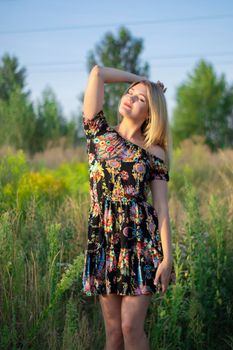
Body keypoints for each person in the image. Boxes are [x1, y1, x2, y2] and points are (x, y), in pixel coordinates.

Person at [81, 65, 176, 350]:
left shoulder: (153, 151)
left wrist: (167, 258)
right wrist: (141, 80)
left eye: (141, 99)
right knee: (113, 334)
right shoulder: (98, 132)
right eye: (130, 93)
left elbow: (161, 207)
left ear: (151, 113)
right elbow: (97, 73)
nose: (131, 98)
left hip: (140, 244)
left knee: (130, 328)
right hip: (104, 242)